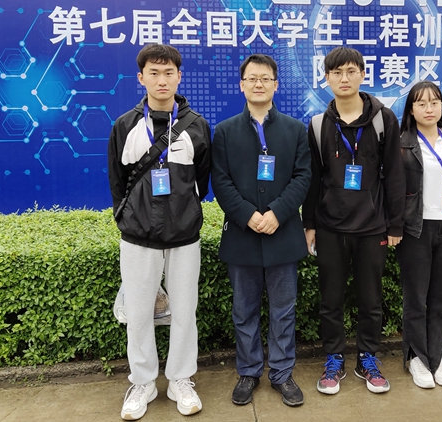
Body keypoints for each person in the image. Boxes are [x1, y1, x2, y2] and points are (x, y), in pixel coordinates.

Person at [107, 44, 211, 420]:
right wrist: (131, 218)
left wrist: (184, 213)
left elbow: (202, 182)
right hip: (138, 236)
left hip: (184, 236)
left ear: (179, 77)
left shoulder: (197, 126)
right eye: (154, 72)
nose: (162, 80)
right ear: (141, 78)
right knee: (139, 314)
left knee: (184, 311)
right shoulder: (125, 126)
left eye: (169, 73)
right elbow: (117, 182)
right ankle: (143, 382)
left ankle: (181, 379)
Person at [302, 47, 405, 395]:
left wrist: (395, 225)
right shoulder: (318, 125)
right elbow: (313, 180)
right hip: (330, 227)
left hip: (372, 227)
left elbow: (394, 175)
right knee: (330, 299)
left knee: (370, 300)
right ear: (326, 78)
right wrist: (309, 224)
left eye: (350, 71)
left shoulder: (383, 120)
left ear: (363, 74)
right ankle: (334, 358)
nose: (343, 79)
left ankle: (367, 357)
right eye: (336, 73)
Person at [211, 54, 311, 407]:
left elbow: (303, 177)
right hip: (243, 235)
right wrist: (247, 215)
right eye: (252, 78)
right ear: (242, 85)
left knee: (284, 310)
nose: (258, 84)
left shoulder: (295, 130)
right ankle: (249, 371)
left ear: (275, 85)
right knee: (244, 311)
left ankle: (282, 373)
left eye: (265, 78)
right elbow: (220, 180)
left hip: (283, 234)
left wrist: (277, 213)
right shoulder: (225, 131)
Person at [396, 80, 442, 389]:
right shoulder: (402, 144)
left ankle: (437, 357)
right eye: (422, 103)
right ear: (411, 110)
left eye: (435, 102)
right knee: (416, 299)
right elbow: (394, 190)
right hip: (417, 228)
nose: (429, 108)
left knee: (441, 299)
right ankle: (417, 358)